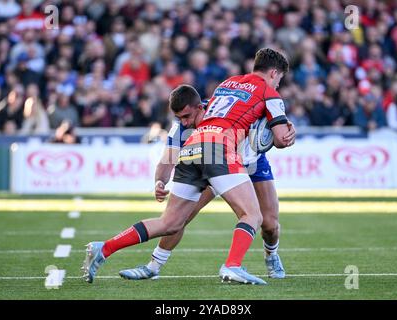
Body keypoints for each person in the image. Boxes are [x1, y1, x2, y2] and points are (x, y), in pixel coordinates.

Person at [82, 48, 292, 285]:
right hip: (223, 150)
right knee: (252, 214)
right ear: (274, 73)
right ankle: (229, 265)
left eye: (185, 116)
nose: (182, 121)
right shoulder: (269, 92)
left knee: (173, 222)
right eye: (279, 79)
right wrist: (288, 134)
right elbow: (281, 139)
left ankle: (104, 248)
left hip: (213, 149)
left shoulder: (227, 84)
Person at [117, 84, 295, 281]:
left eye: (186, 117)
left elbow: (272, 122)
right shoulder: (179, 128)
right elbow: (167, 160)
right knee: (181, 217)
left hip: (251, 161)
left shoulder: (225, 111)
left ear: (199, 108)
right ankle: (154, 266)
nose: (183, 123)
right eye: (179, 118)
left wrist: (287, 127)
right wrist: (160, 181)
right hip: (217, 161)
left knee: (270, 224)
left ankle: (271, 255)